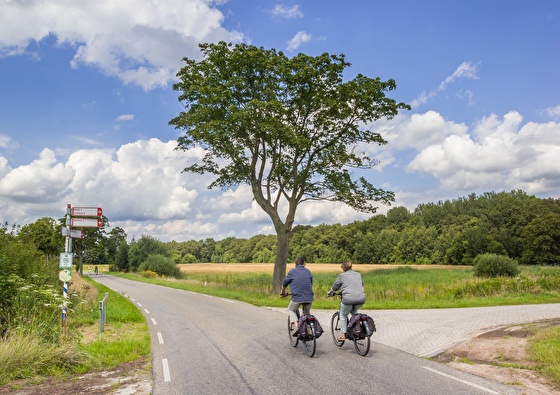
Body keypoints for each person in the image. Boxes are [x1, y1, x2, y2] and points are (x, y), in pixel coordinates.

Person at [328, 260, 366, 341]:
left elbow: (335, 286)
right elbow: (361, 284)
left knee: (343, 314)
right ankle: (357, 329)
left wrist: (331, 291)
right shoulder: (358, 274)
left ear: (343, 268)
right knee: (354, 312)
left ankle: (343, 335)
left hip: (348, 300)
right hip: (361, 299)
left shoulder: (342, 276)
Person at [280, 257, 314, 336]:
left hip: (297, 297)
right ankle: (309, 330)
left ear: (295, 264)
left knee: (290, 310)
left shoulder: (292, 271)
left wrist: (283, 292)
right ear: (303, 264)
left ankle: (296, 326)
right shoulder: (308, 271)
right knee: (307, 313)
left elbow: (284, 283)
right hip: (309, 297)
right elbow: (310, 282)